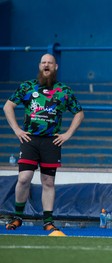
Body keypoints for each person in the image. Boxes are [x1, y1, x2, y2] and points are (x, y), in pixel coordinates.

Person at [3, 53, 84, 231]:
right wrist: (17, 130)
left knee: (48, 182)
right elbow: (8, 106)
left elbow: (79, 112)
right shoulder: (27, 86)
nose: (46, 65)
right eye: (43, 62)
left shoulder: (64, 91)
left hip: (51, 142)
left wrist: (68, 134)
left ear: (56, 67)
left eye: (50, 63)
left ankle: (48, 221)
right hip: (30, 139)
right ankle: (17, 217)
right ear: (40, 66)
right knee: (24, 178)